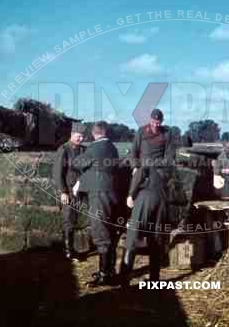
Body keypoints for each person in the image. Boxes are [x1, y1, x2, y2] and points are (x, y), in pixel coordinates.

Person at [72, 121, 120, 286]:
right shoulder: (113, 148)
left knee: (100, 232)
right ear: (106, 132)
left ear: (94, 133)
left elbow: (77, 163)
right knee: (110, 231)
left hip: (99, 194)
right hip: (112, 192)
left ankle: (104, 275)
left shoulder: (94, 148)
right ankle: (109, 270)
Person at [119, 166, 170, 286]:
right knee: (156, 238)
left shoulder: (146, 159)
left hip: (146, 197)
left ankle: (124, 279)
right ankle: (154, 280)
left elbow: (140, 173)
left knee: (133, 235)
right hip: (163, 199)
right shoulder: (168, 162)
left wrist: (131, 194)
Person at [52, 123, 87, 261]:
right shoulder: (64, 150)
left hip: (80, 191)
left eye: (83, 136)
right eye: (79, 136)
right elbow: (57, 173)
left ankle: (73, 249)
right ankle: (68, 252)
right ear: (72, 134)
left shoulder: (84, 150)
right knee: (68, 221)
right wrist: (63, 192)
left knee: (77, 220)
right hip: (68, 191)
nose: (81, 139)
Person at [128, 109, 176, 199]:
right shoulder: (141, 131)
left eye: (158, 123)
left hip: (158, 168)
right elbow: (133, 151)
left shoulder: (167, 133)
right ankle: (131, 198)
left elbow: (170, 156)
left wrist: (158, 164)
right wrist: (134, 167)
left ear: (162, 121)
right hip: (142, 167)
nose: (155, 125)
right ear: (150, 120)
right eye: (153, 122)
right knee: (136, 181)